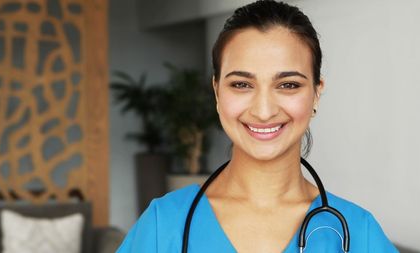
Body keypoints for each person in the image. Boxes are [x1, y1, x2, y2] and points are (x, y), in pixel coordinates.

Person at [116, 0, 398, 252]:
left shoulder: (360, 232)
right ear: (217, 92)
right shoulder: (163, 224)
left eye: (288, 85)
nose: (264, 111)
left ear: (316, 93)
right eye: (241, 84)